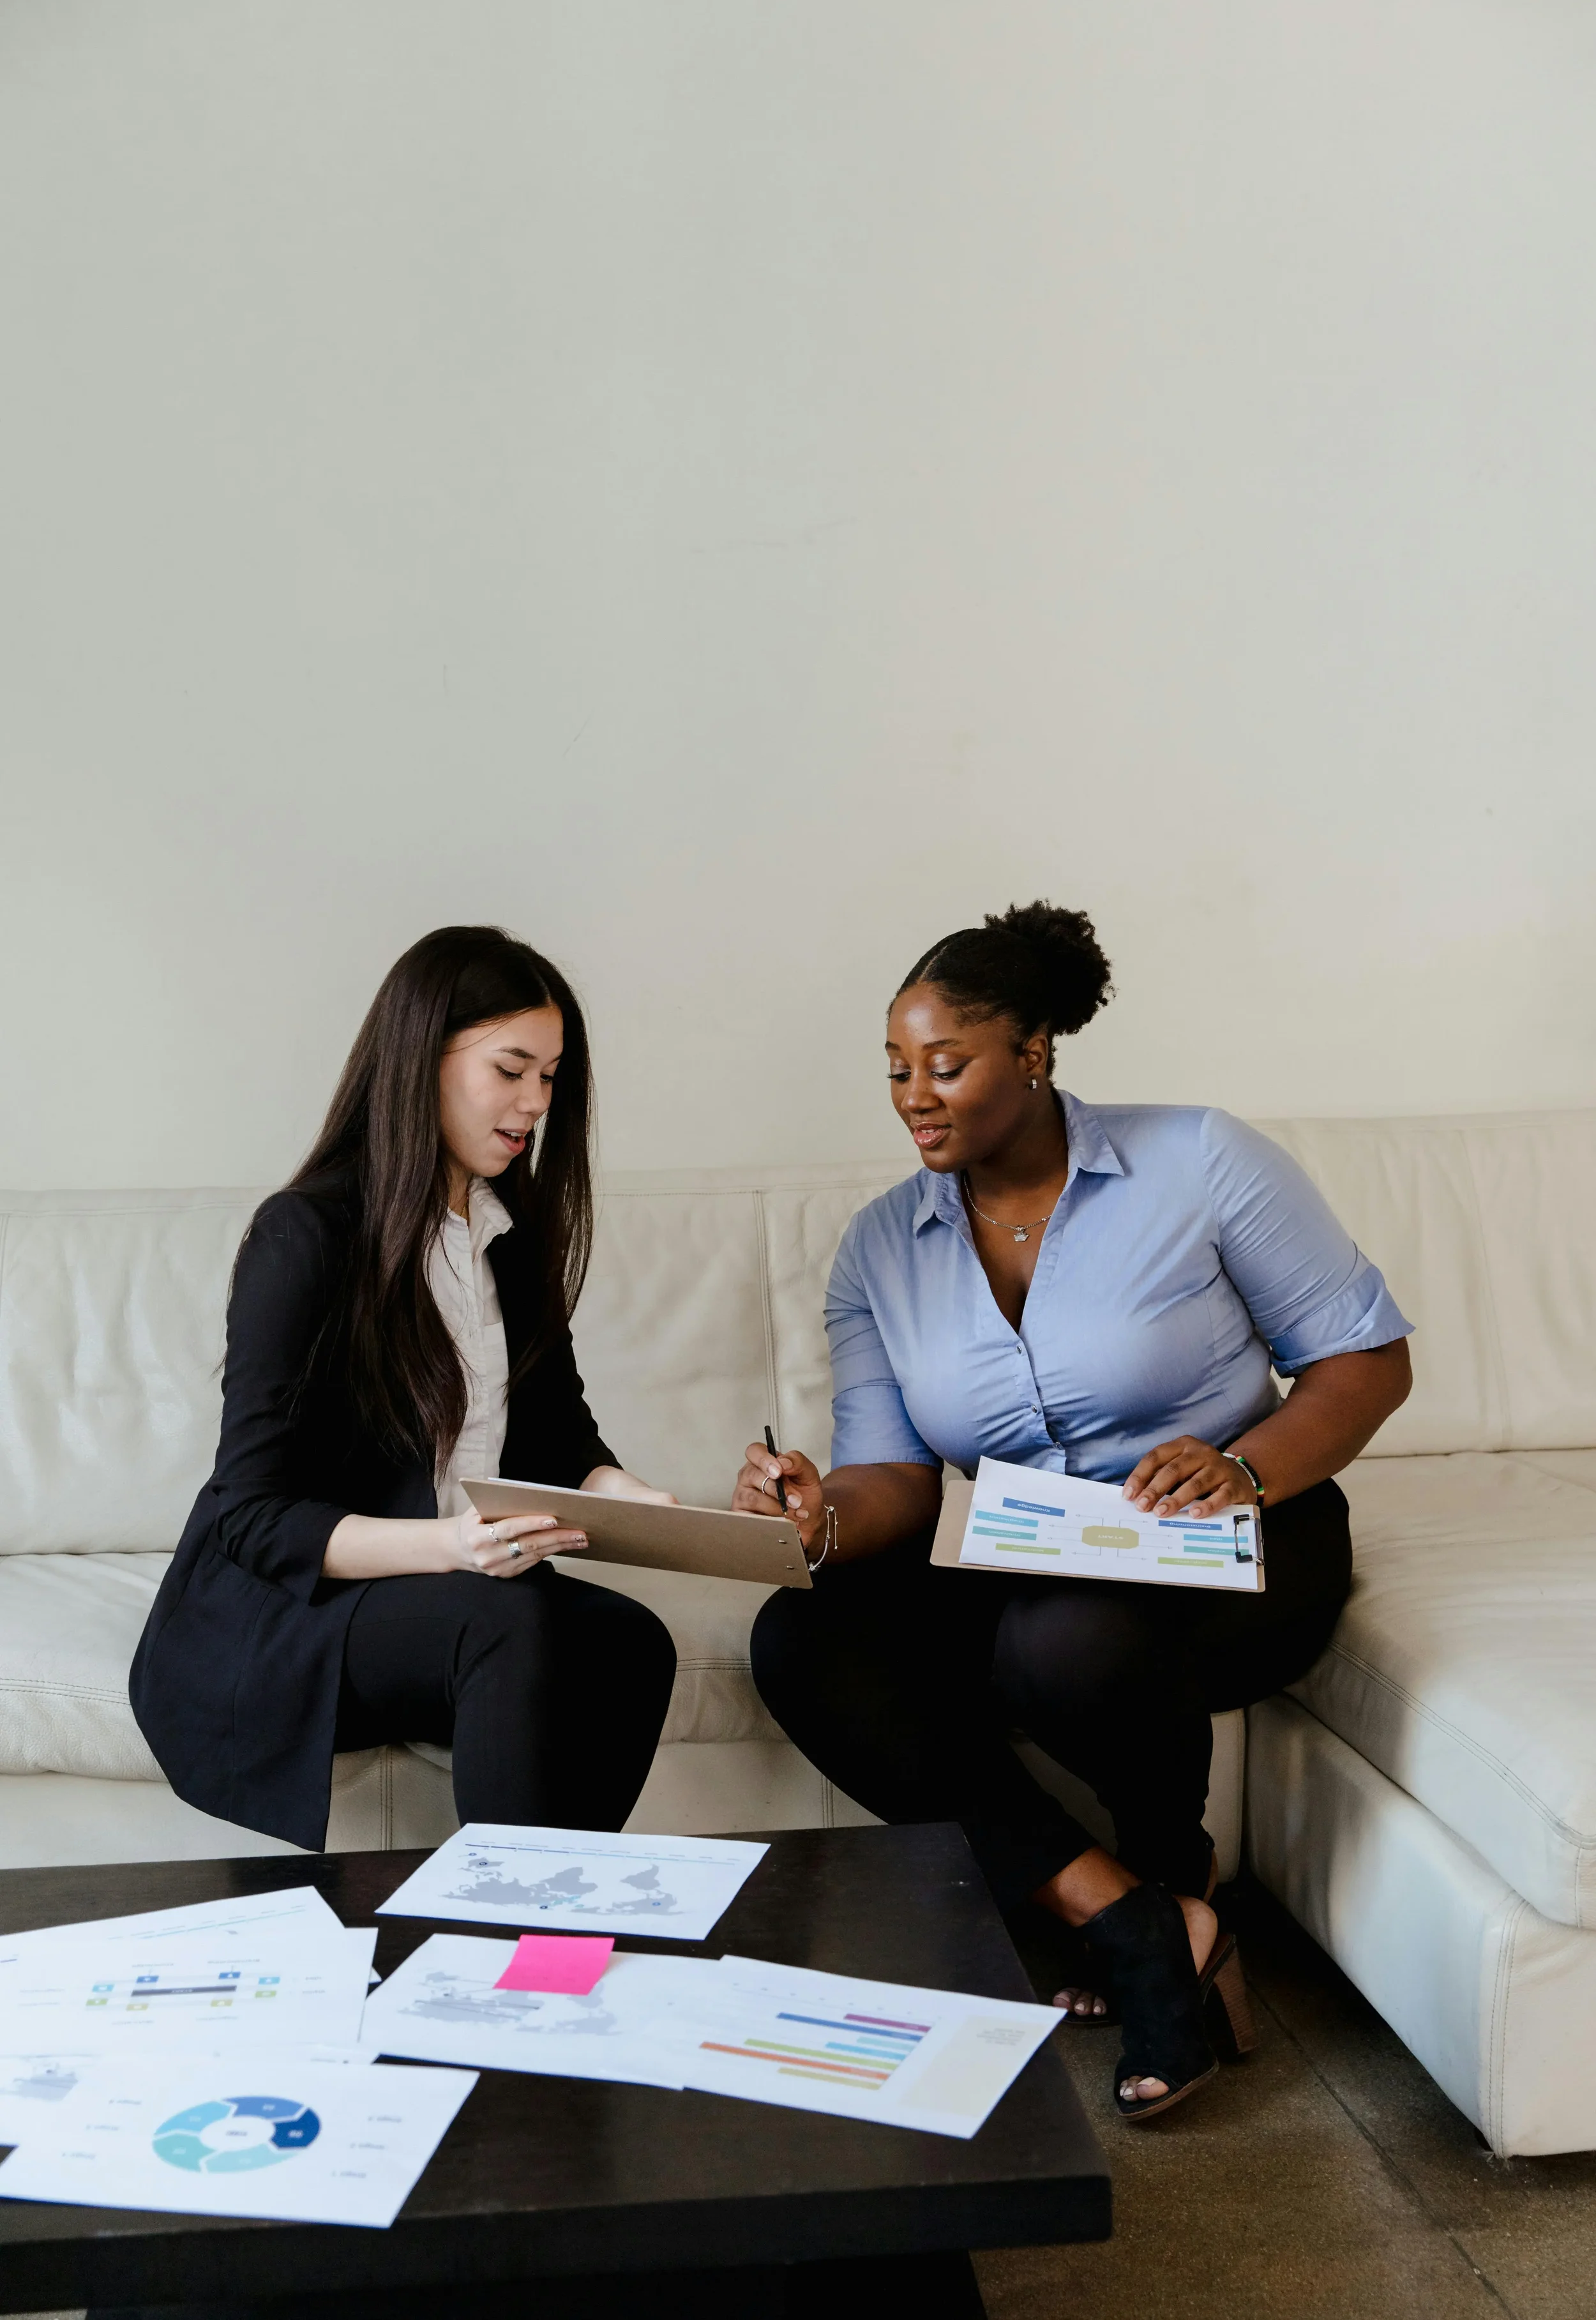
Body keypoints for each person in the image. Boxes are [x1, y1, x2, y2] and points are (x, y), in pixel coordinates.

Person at [735, 901, 1412, 2122]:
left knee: (1062, 1638)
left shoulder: (1200, 1158)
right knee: (801, 1634)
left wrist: (1247, 1467)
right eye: (897, 1069)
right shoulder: (882, 1246)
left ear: (1036, 1052)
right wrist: (816, 1511)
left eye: (948, 1064)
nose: (914, 1096)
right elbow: (892, 1476)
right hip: (1026, 1552)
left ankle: (1173, 1864)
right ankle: (1134, 1917)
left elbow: (1366, 1360)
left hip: (1240, 1533)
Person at [132, 925, 677, 1851]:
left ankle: (557, 1917)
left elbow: (555, 1428)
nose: (535, 1102)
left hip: (443, 1587)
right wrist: (453, 1545)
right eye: (510, 1069)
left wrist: (630, 1499)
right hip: (286, 1612)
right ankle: (507, 1943)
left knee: (632, 1642)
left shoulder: (512, 1228)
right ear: (424, 1055)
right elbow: (251, 1516)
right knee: (502, 1618)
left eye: (549, 1076)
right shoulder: (301, 1236)